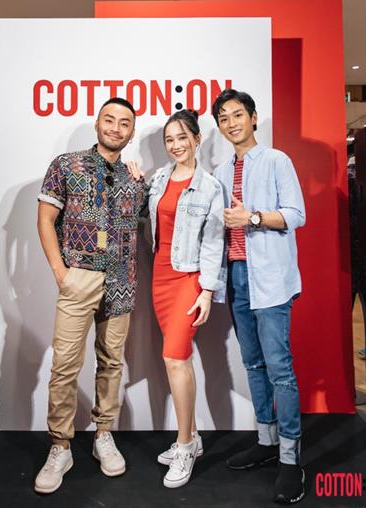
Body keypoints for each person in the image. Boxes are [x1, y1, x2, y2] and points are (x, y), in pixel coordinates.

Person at [34, 97, 147, 494]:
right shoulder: (66, 165)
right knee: (65, 364)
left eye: (124, 123)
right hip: (78, 277)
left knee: (111, 361)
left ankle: (103, 434)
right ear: (97, 124)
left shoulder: (136, 178)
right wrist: (61, 273)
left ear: (131, 132)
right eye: (109, 120)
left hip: (122, 280)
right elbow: (45, 219)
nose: (116, 128)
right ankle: (60, 446)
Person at [212, 89, 306, 505]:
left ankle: (290, 458)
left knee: (280, 369)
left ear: (253, 117)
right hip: (236, 276)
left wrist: (251, 217)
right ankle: (266, 441)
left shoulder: (276, 160)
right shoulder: (219, 170)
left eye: (237, 115)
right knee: (252, 363)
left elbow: (296, 214)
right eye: (223, 118)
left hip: (269, 277)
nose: (231, 123)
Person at [148, 109, 225, 488]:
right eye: (170, 139)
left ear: (197, 139)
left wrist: (207, 290)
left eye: (183, 137)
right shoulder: (158, 179)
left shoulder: (209, 187)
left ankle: (184, 445)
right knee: (178, 360)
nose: (176, 145)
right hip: (159, 277)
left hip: (188, 278)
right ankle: (192, 437)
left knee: (175, 358)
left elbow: (214, 242)